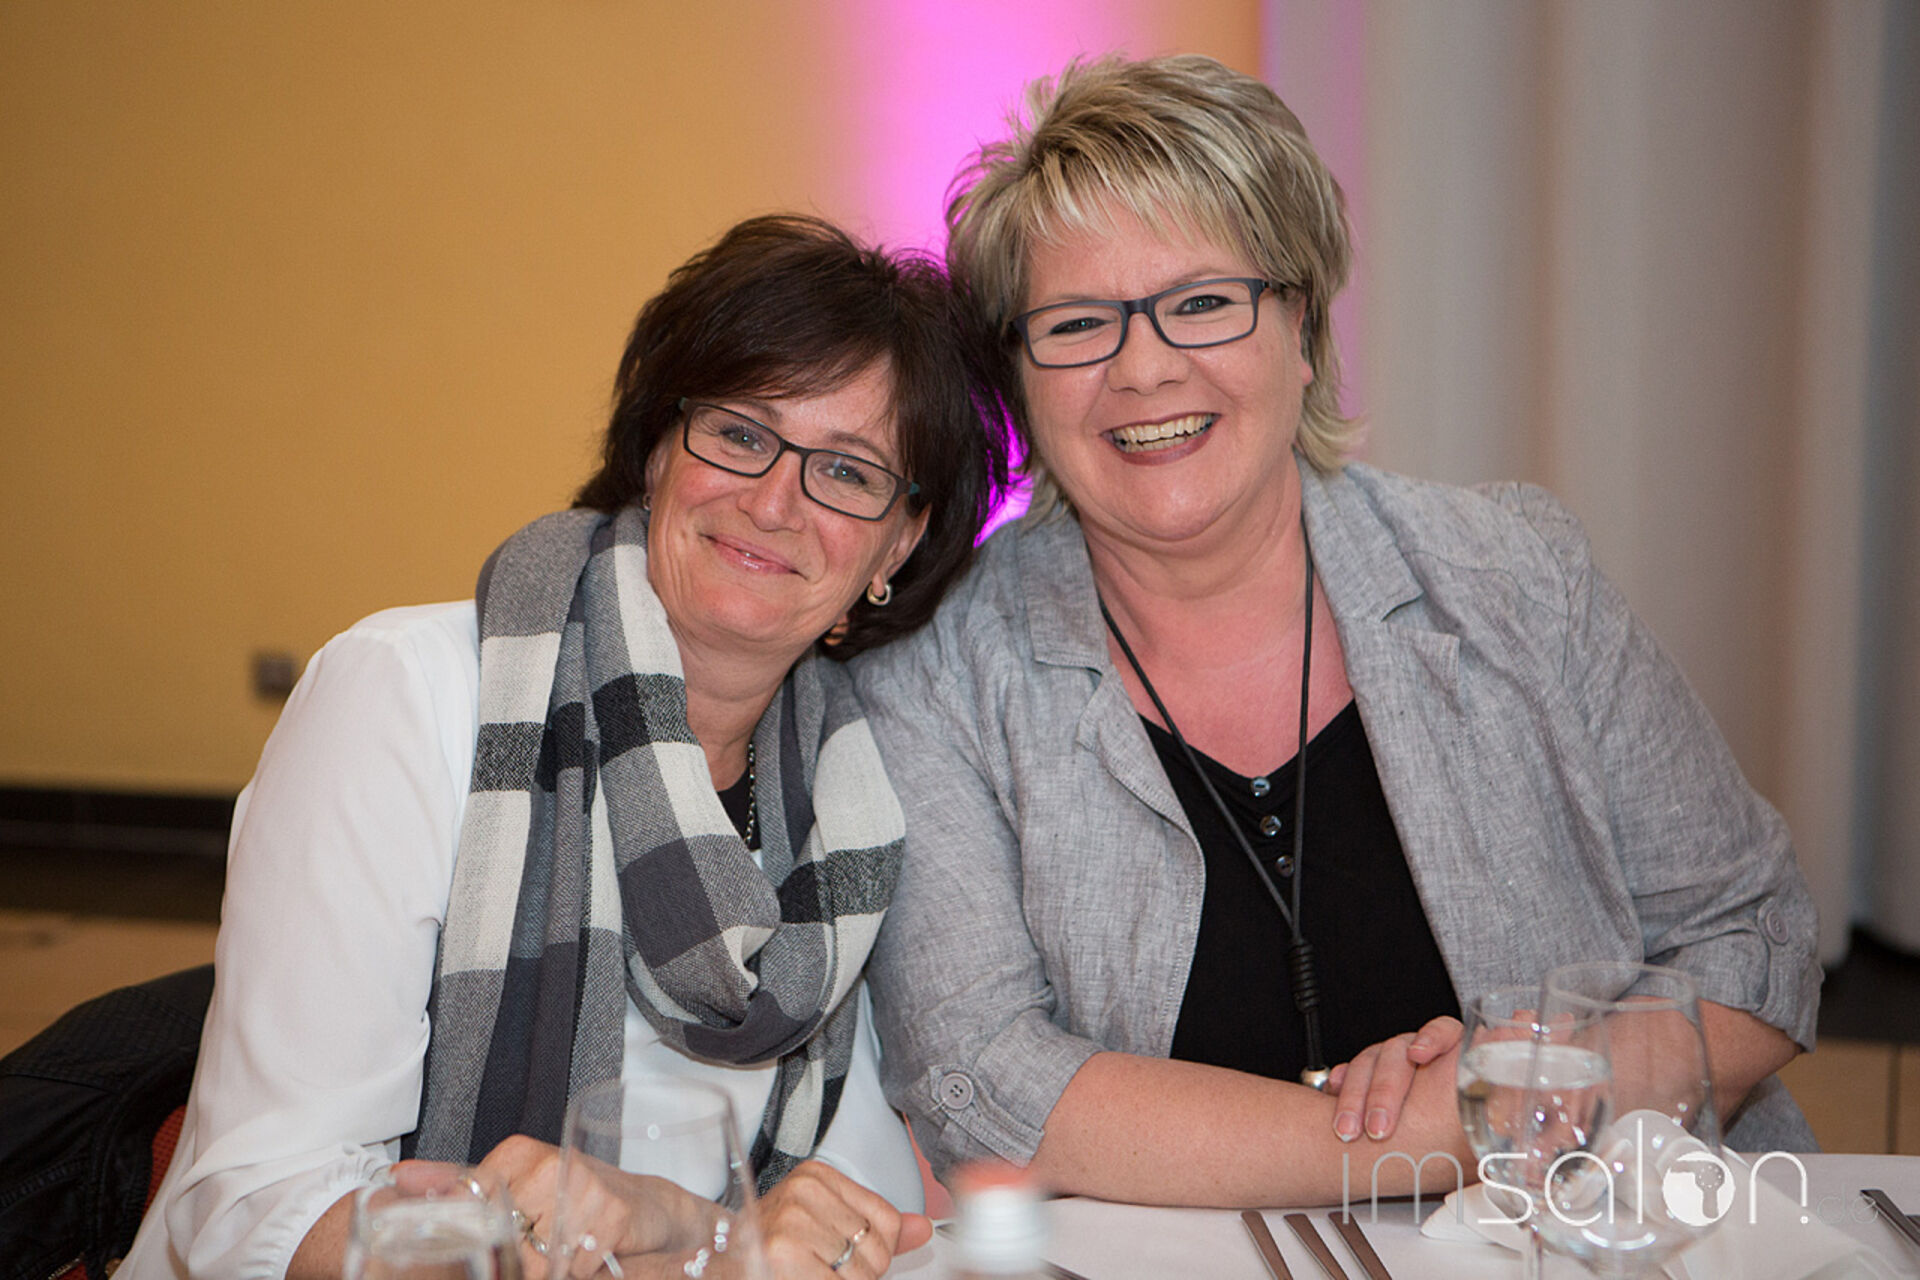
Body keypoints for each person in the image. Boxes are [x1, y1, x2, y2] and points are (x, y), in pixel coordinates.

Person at [852, 54, 1820, 1208]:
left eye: (1202, 303)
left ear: (1301, 325)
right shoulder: (939, 669)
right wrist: (1462, 1123)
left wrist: (1524, 1094)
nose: (1144, 367)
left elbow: (1755, 941)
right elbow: (978, 1078)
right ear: (1019, 379)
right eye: (1076, 323)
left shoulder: (1514, 574)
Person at [123, 214, 1006, 1279]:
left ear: (899, 541)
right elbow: (251, 1209)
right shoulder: (407, 693)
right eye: (740, 434)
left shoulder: (856, 792)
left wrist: (689, 1235)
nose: (776, 502)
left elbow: (864, 1206)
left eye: (850, 473)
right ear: (657, 449)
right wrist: (689, 1237)